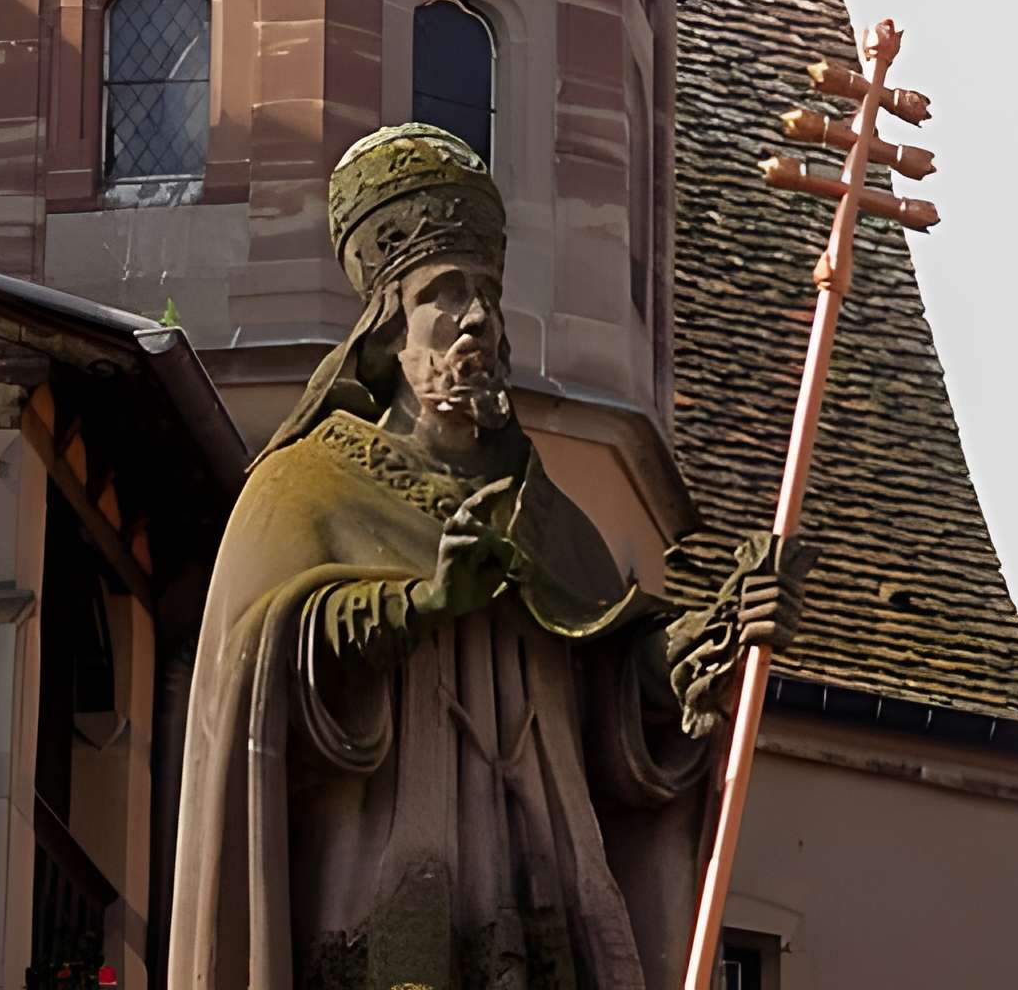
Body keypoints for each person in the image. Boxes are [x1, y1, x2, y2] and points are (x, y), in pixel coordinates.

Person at [169, 122, 779, 990]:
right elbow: (257, 670)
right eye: (446, 295)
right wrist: (420, 603)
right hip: (387, 870)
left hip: (544, 879)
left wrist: (700, 645)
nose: (479, 320)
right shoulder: (305, 485)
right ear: (390, 329)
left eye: (488, 292)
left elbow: (606, 686)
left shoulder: (547, 514)